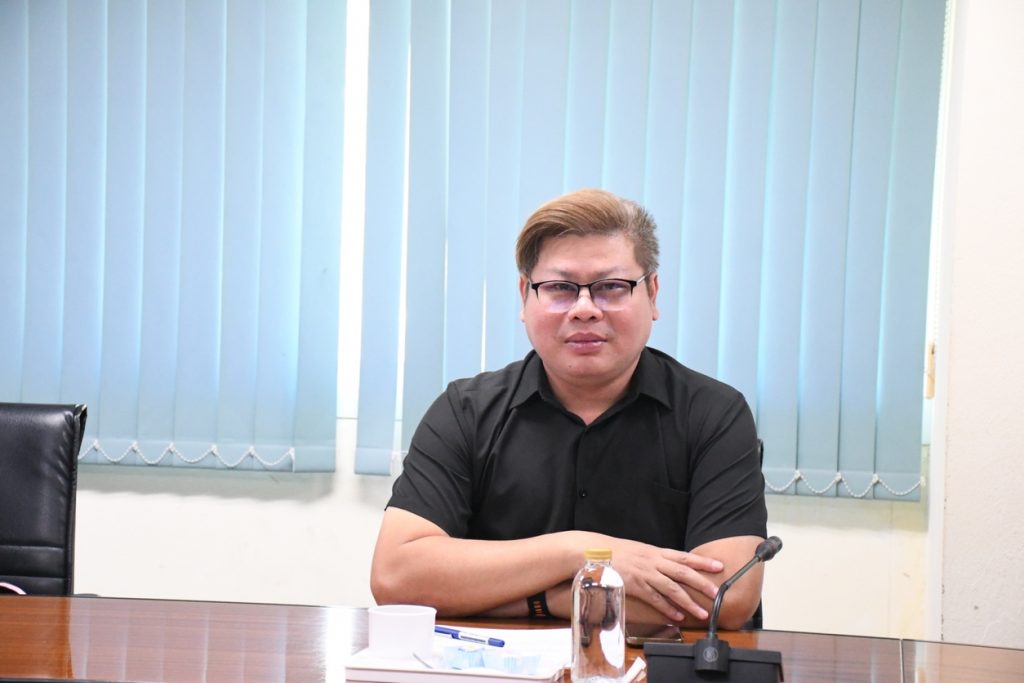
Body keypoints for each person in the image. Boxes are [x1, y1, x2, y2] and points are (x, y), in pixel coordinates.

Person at [370, 188, 767, 629]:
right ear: (525, 296)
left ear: (653, 294)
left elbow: (725, 596)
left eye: (611, 287)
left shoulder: (714, 415)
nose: (584, 310)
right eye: (559, 288)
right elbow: (397, 577)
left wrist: (549, 597)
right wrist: (577, 551)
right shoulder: (465, 412)